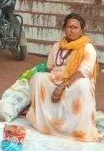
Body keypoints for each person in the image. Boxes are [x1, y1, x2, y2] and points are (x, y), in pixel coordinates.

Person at [26, 12, 99, 142]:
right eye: (69, 27)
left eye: (75, 27)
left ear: (81, 30)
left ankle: (77, 128)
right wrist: (55, 78)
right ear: (64, 28)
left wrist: (62, 86)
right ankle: (45, 121)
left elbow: (85, 71)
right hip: (56, 78)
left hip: (75, 81)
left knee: (83, 85)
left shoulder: (87, 47)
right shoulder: (57, 46)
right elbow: (50, 66)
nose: (72, 30)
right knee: (37, 78)